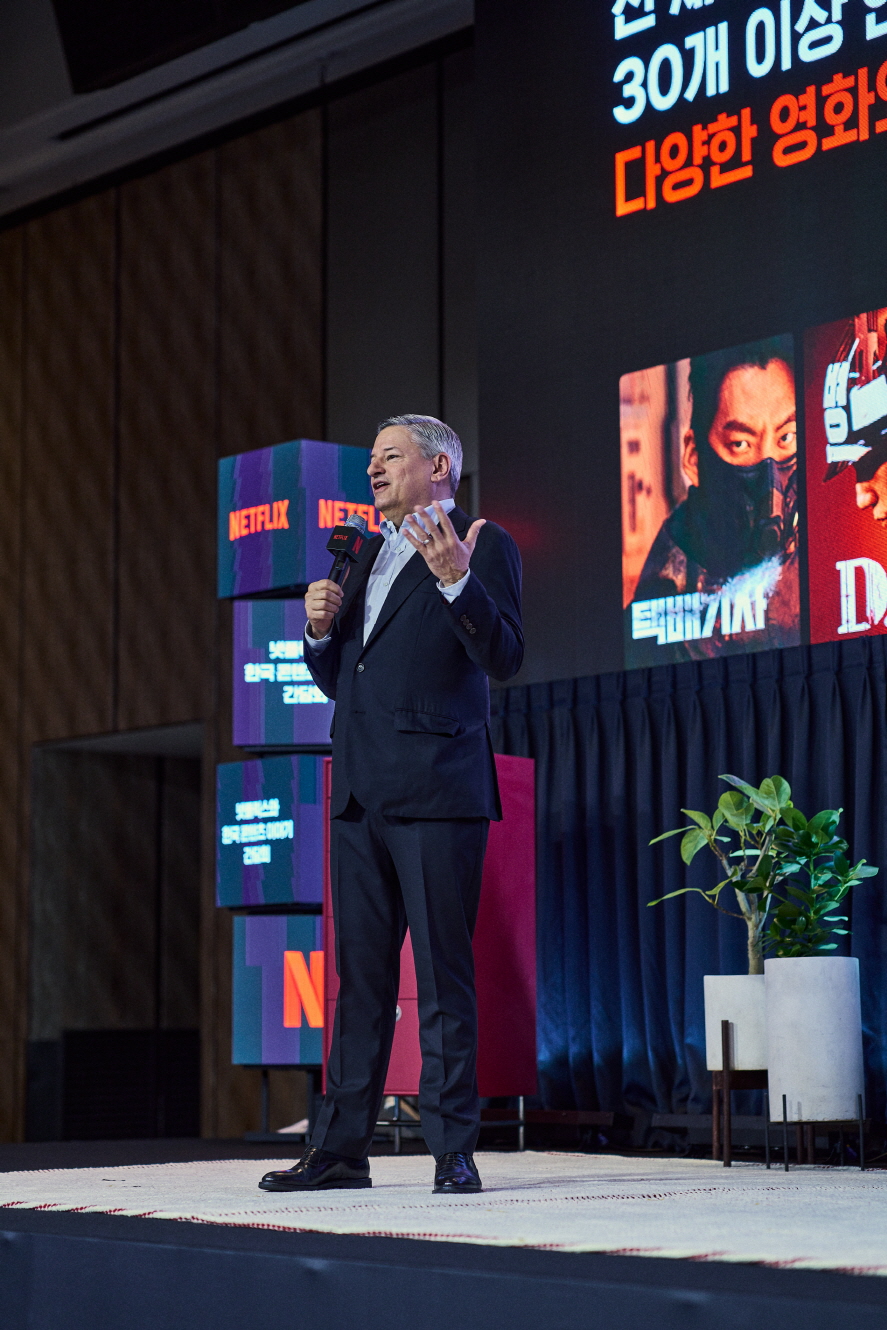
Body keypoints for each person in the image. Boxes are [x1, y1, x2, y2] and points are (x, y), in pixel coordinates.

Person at [258, 414, 523, 1196]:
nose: (372, 469)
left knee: (442, 977)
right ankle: (339, 1151)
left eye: (390, 456)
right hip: (360, 796)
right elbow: (349, 682)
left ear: (439, 465)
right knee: (359, 983)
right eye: (371, 459)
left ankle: (451, 1150)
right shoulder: (367, 552)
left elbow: (504, 657)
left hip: (439, 790)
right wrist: (316, 635)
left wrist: (454, 582)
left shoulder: (482, 541)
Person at [630, 337, 799, 660]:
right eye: (740, 444)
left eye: (786, 438)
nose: (771, 478)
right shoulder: (659, 612)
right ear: (694, 458)